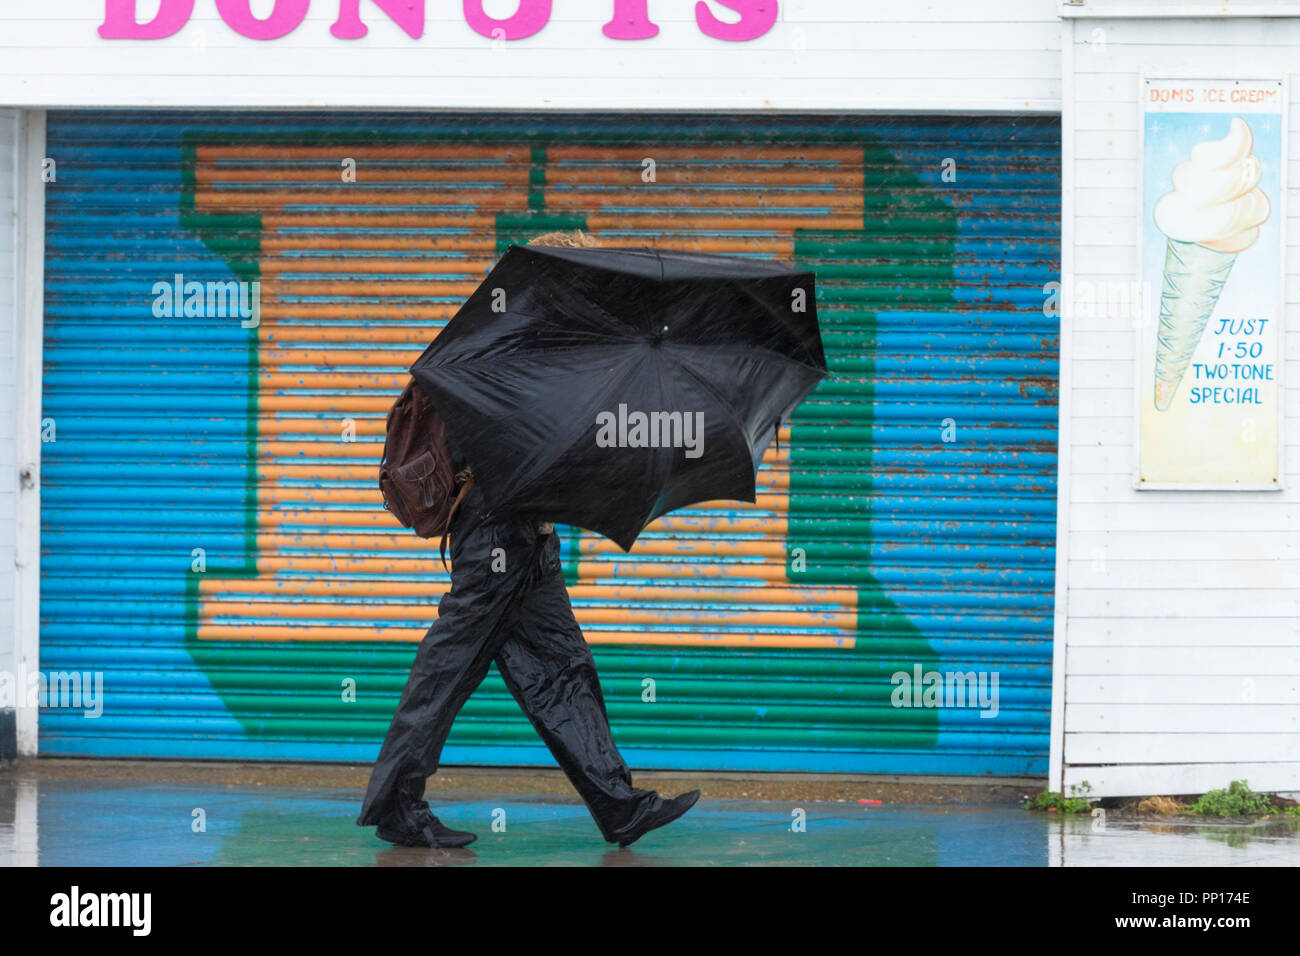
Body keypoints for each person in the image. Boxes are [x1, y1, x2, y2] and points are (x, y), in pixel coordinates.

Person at [357, 230, 700, 849]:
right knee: (447, 672)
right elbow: (508, 441)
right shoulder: (498, 343)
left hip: (529, 543)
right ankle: (395, 804)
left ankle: (619, 806)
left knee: (563, 671)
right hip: (493, 540)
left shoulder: (542, 338)